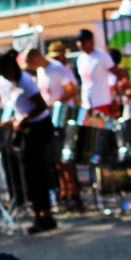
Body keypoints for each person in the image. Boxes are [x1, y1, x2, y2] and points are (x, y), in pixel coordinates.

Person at [0, 50, 56, 234]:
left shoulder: (26, 81)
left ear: (11, 68)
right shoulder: (14, 82)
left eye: (4, 72)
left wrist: (24, 119)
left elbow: (41, 106)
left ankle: (43, 216)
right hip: (29, 128)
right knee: (33, 174)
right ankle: (42, 214)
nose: (3, 77)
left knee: (35, 172)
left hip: (38, 128)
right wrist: (14, 119)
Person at [24, 47, 81, 212]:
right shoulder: (41, 71)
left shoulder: (57, 68)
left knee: (66, 157)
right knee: (57, 159)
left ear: (36, 58)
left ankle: (74, 194)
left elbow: (71, 91)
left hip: (62, 116)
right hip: (50, 118)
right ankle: (65, 193)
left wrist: (54, 103)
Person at [74, 29, 117, 116]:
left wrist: (114, 97)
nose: (80, 44)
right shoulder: (80, 59)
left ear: (91, 41)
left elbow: (116, 73)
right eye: (78, 41)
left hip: (102, 102)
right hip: (87, 104)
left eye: (83, 41)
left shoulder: (102, 55)